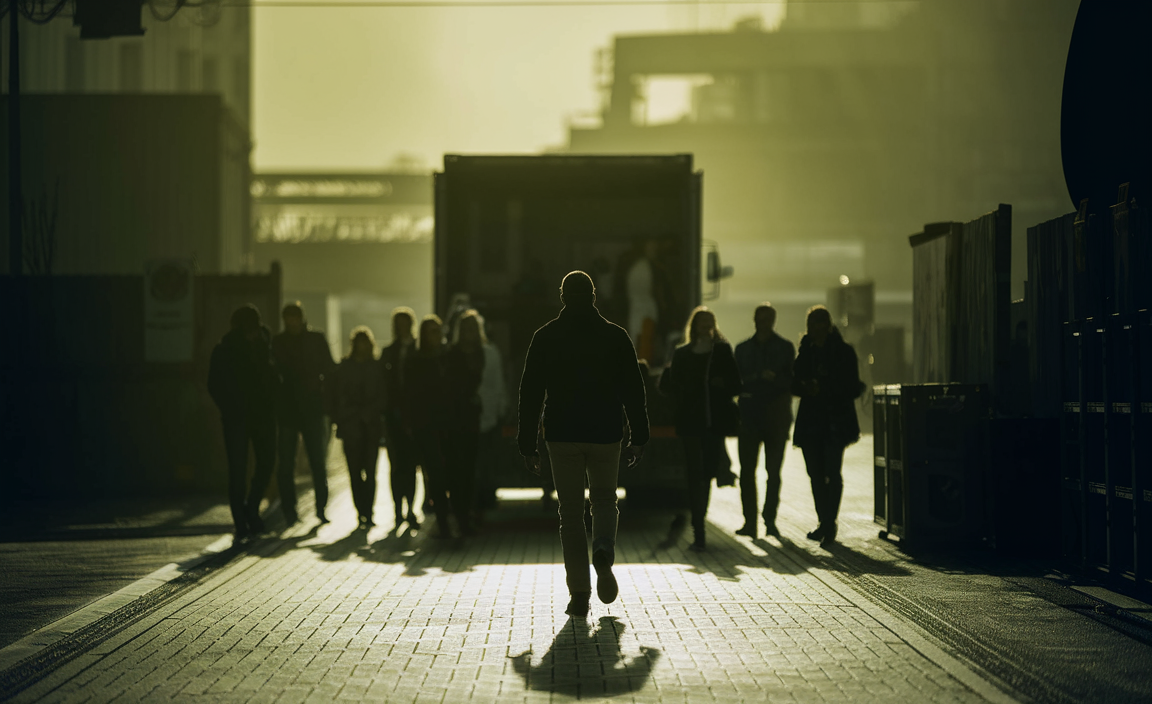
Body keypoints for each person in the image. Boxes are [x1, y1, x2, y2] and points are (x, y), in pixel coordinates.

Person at [518, 271, 649, 618]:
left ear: (562, 296)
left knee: (571, 515)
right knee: (605, 499)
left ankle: (579, 594)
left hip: (562, 433)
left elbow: (530, 392)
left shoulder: (545, 336)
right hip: (606, 431)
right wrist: (640, 436)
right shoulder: (615, 336)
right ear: (594, 296)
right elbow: (634, 391)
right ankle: (603, 550)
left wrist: (527, 443)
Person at [659, 306, 742, 552]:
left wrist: (722, 384)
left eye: (709, 322)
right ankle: (699, 531)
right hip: (691, 424)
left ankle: (699, 525)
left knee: (705, 476)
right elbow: (671, 385)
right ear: (694, 327)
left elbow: (736, 384)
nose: (706, 327)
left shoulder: (722, 351)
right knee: (695, 476)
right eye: (701, 323)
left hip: (713, 424)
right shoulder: (683, 353)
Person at [791, 305, 865, 545]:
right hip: (816, 422)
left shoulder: (842, 352)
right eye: (813, 326)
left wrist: (823, 387)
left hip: (833, 421)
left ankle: (828, 522)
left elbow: (853, 385)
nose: (817, 331)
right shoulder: (806, 351)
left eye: (820, 326)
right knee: (817, 473)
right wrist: (807, 387)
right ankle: (825, 521)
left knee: (830, 473)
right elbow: (794, 383)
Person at [207, 305, 279, 543]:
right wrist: (231, 408)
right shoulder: (226, 350)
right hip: (239, 418)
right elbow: (214, 385)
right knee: (239, 470)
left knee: (264, 463)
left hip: (259, 416)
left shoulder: (264, 346)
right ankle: (243, 520)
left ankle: (249, 510)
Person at [733, 304, 796, 538]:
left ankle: (758, 521)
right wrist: (765, 378)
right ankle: (763, 521)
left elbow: (737, 382)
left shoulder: (744, 349)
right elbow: (789, 381)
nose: (764, 323)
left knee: (759, 471)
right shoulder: (784, 347)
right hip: (769, 416)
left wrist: (756, 380)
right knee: (765, 472)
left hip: (759, 416)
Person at [271, 302, 336, 524]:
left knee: (314, 461)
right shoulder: (288, 342)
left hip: (306, 408)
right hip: (296, 408)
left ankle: (317, 508)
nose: (291, 322)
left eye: (293, 318)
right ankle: (294, 510)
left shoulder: (287, 342)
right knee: (292, 463)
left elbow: (329, 370)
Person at [403, 315, 454, 538]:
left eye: (438, 330)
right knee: (435, 473)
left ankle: (449, 518)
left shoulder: (448, 357)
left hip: (449, 424)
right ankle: (443, 521)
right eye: (431, 331)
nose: (436, 335)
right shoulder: (416, 360)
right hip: (427, 425)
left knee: (450, 472)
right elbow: (410, 394)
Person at [332, 326, 385, 530]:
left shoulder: (373, 367)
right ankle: (362, 512)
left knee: (368, 473)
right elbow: (336, 396)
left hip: (367, 427)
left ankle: (366, 511)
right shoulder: (346, 368)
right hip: (355, 427)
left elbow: (382, 396)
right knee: (357, 473)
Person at [443, 310, 485, 535]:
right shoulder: (454, 353)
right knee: (457, 469)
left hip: (470, 416)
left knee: (469, 469)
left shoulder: (479, 352)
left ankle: (465, 513)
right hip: (456, 417)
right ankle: (460, 514)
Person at [380, 307, 420, 529]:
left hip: (412, 416)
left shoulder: (417, 350)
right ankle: (399, 510)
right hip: (394, 416)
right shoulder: (390, 352)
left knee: (408, 466)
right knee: (398, 466)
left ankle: (409, 509)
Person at [468, 311, 509, 517]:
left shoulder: (491, 353)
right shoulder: (460, 354)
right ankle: (476, 500)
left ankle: (484, 497)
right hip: (467, 417)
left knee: (485, 460)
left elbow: (497, 381)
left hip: (488, 414)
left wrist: (501, 406)